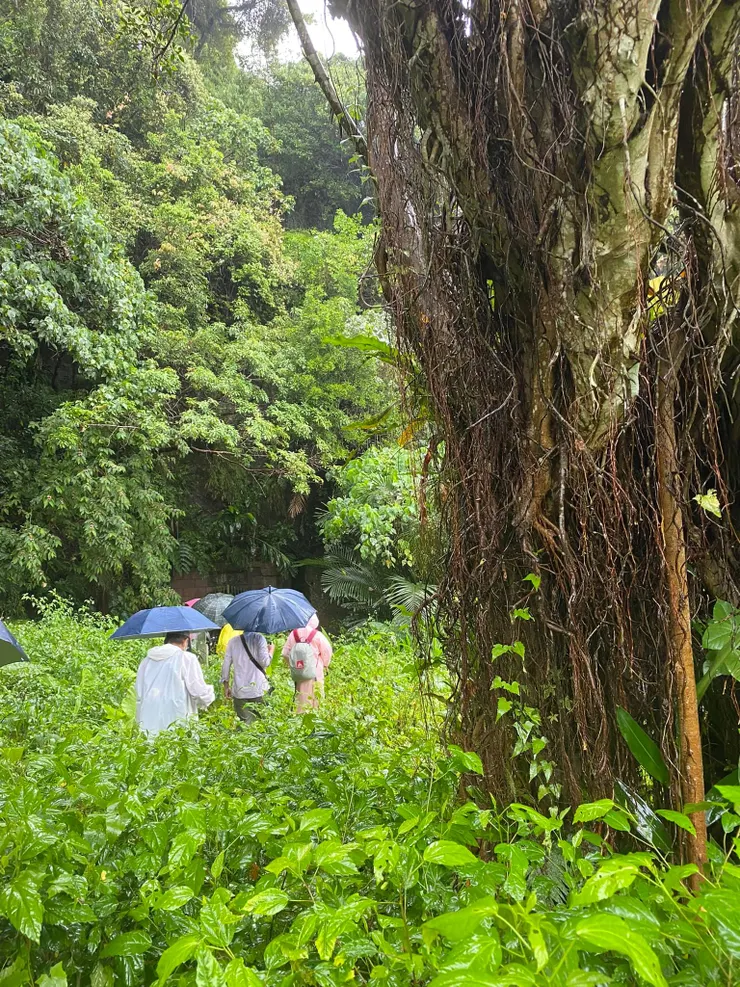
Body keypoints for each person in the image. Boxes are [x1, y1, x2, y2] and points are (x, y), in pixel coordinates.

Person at [135, 631, 215, 735]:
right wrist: (209, 697)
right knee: (177, 743)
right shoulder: (187, 658)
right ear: (185, 641)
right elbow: (198, 691)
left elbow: (139, 691)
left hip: (150, 712)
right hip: (177, 711)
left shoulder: (147, 660)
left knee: (151, 743)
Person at [282, 614, 332, 712]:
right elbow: (327, 651)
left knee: (301, 696)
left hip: (299, 673)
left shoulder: (293, 634)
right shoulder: (317, 635)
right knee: (316, 696)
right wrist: (326, 664)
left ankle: (301, 718)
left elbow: (285, 653)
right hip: (315, 673)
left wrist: (292, 666)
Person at [221, 631, 273, 724]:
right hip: (259, 689)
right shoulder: (259, 638)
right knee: (262, 724)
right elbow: (265, 662)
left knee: (244, 725)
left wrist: (226, 686)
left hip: (240, 690)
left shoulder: (232, 641)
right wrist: (270, 652)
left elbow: (226, 665)